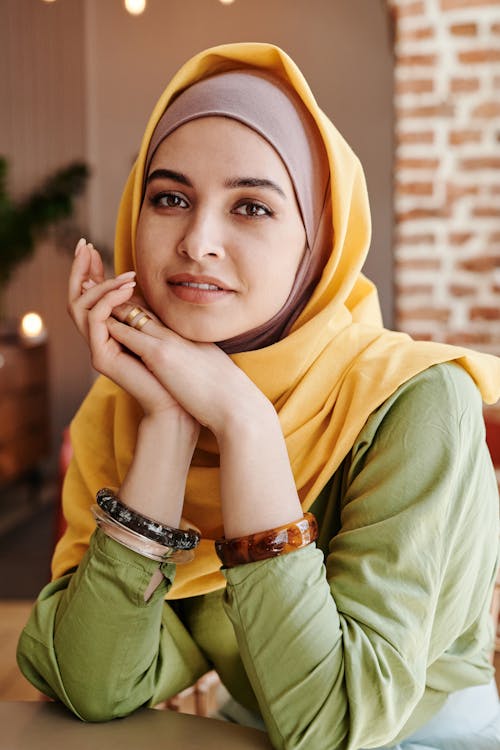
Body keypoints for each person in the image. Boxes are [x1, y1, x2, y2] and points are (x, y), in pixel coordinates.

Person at [17, 42, 500, 750]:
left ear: (318, 241)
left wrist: (245, 421)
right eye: (171, 198)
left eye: (251, 206)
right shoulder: (129, 411)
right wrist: (173, 426)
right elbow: (92, 685)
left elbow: (334, 724)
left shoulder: (419, 403)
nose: (197, 241)